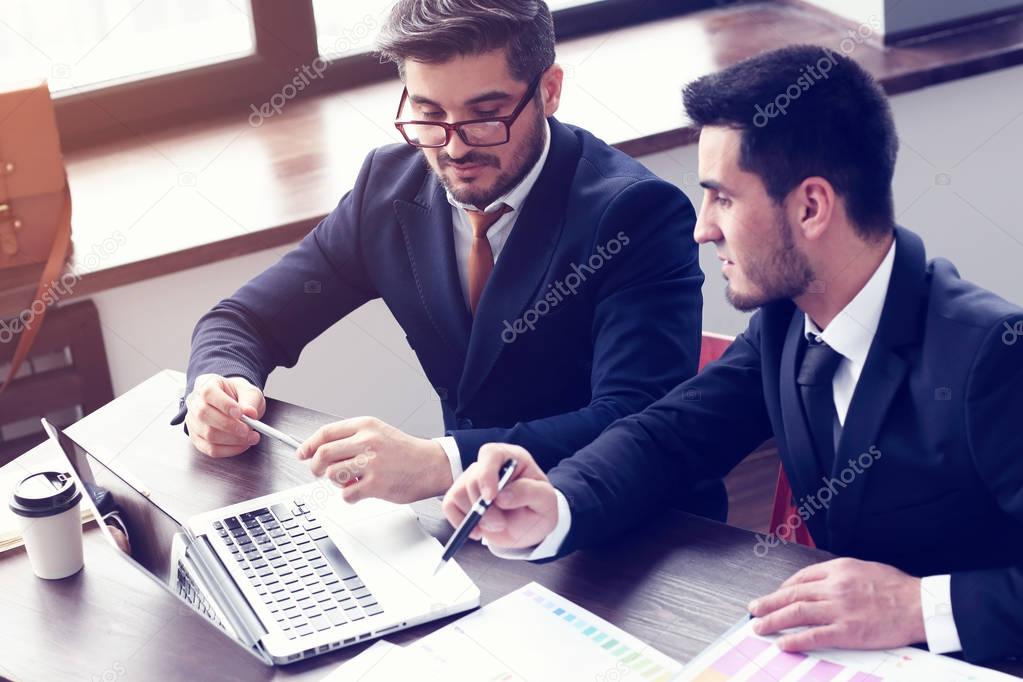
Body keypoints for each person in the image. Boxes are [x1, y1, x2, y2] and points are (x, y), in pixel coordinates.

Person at [443, 44, 1023, 663]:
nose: (702, 227)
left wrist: (919, 605)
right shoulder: (787, 321)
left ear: (810, 206)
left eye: (722, 197)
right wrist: (555, 506)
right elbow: (669, 436)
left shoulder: (991, 357)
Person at [171, 0, 722, 513]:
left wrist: (443, 461)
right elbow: (243, 320)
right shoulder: (386, 190)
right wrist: (220, 385)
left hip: (631, 527)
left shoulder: (636, 214)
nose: (455, 147)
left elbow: (632, 421)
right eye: (429, 113)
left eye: (486, 115)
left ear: (549, 91)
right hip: (476, 529)